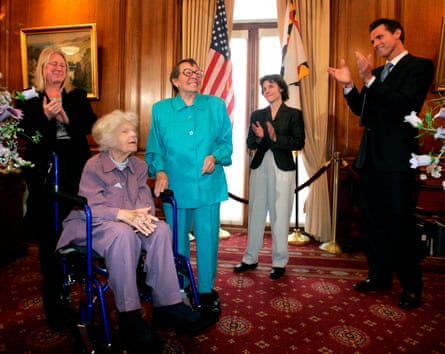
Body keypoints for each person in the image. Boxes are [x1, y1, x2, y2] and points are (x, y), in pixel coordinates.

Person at [56, 110, 213, 352]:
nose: (133, 135)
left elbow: (145, 203)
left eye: (134, 131)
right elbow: (92, 206)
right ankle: (129, 314)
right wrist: (123, 215)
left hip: (130, 223)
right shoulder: (94, 165)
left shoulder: (139, 166)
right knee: (122, 234)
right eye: (125, 131)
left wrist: (141, 216)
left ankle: (167, 306)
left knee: (160, 229)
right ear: (109, 139)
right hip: (94, 226)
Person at [327, 18, 434, 309]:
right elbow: (365, 110)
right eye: (372, 40)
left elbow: (404, 103)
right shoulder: (375, 73)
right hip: (370, 159)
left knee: (399, 225)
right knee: (370, 223)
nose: (376, 44)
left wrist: (370, 81)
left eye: (379, 37)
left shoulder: (420, 66)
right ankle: (379, 275)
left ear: (397, 33)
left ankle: (412, 287)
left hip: (398, 160)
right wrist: (350, 85)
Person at [17, 46, 97, 329]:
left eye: (63, 65)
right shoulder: (28, 97)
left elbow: (90, 125)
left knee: (75, 233)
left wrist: (64, 118)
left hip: (75, 176)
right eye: (53, 64)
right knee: (49, 242)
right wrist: (46, 117)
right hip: (43, 178)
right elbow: (25, 132)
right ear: (42, 68)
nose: (58, 69)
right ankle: (55, 305)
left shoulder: (75, 96)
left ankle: (78, 281)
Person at [145, 58, 233, 315]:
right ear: (175, 80)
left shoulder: (215, 105)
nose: (194, 75)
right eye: (187, 72)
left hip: (209, 185)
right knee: (176, 241)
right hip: (175, 187)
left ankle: (205, 290)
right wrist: (159, 170)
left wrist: (215, 156)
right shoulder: (161, 109)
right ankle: (180, 288)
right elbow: (155, 147)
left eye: (197, 71)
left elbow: (226, 142)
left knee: (208, 240)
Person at [233, 74, 305, 279]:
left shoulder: (294, 114)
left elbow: (298, 143)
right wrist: (258, 137)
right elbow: (250, 144)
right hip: (260, 167)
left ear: (281, 88)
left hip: (283, 168)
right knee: (256, 213)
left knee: (280, 214)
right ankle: (250, 258)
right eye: (264, 88)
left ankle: (279, 262)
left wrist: (274, 137)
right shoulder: (257, 114)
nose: (267, 91)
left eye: (270, 86)